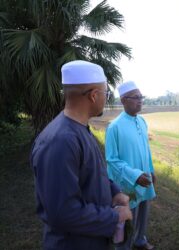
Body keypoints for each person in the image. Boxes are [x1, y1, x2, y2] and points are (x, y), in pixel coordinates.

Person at [30, 60, 132, 250]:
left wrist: (114, 192)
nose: (106, 98)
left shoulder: (79, 129)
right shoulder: (60, 141)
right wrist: (115, 216)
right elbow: (62, 213)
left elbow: (90, 173)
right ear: (94, 96)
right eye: (106, 94)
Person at [105, 81, 156, 250]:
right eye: (136, 97)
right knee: (126, 219)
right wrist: (135, 176)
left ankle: (140, 240)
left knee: (143, 211)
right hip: (126, 183)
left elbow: (145, 149)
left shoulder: (141, 121)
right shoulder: (114, 127)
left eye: (141, 97)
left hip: (145, 178)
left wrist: (151, 170)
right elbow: (112, 160)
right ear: (123, 100)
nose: (140, 100)